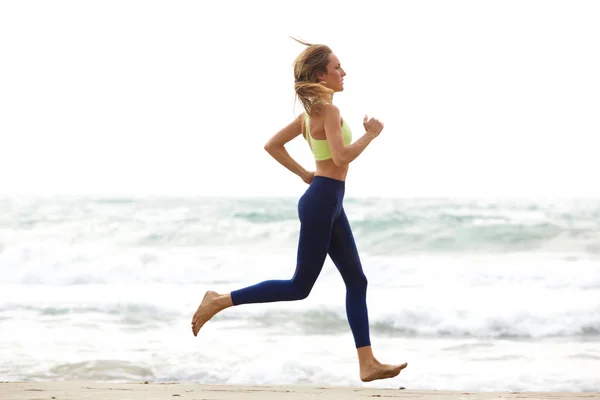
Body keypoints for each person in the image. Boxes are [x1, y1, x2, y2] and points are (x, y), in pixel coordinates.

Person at [191, 38, 407, 383]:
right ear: (322, 75)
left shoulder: (310, 114)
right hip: (323, 201)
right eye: (337, 67)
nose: (344, 72)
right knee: (299, 286)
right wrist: (370, 135)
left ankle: (367, 363)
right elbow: (341, 157)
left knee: (357, 280)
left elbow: (272, 146)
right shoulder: (329, 111)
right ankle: (219, 300)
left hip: (327, 198)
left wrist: (306, 173)